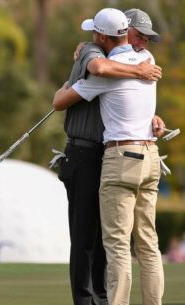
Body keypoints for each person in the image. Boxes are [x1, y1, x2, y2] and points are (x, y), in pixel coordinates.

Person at [53, 8, 164, 305]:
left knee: (115, 245)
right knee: (148, 244)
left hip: (120, 156)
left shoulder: (105, 69)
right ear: (127, 32)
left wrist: (74, 75)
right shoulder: (148, 61)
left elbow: (60, 101)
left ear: (102, 35)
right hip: (151, 156)